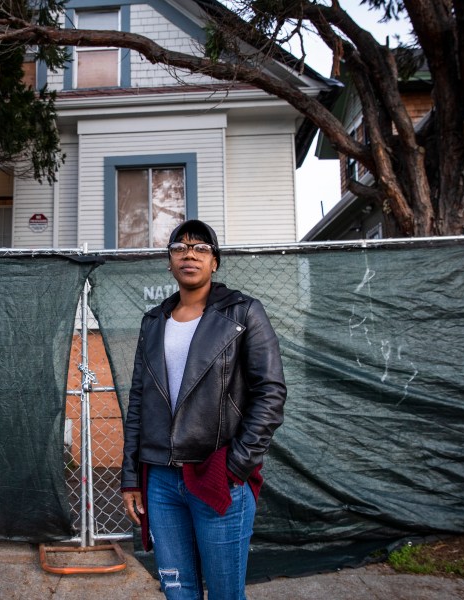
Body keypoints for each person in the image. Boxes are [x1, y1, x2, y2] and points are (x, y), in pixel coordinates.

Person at [120, 219, 287, 600]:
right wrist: (131, 477)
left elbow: (271, 393)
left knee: (226, 594)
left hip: (215, 473)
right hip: (160, 481)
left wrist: (237, 465)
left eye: (200, 248)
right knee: (179, 592)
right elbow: (138, 403)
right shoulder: (153, 321)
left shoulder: (243, 313)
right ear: (169, 262)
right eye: (179, 247)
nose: (189, 253)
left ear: (215, 262)